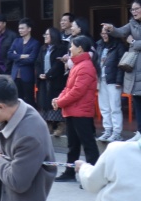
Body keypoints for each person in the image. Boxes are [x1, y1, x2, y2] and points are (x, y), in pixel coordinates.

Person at [53, 36, 100, 182]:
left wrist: (60, 102)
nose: (70, 49)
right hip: (73, 110)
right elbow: (68, 88)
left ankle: (95, 176)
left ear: (80, 48)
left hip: (81, 112)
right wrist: (58, 99)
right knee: (72, 145)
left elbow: (77, 91)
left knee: (88, 144)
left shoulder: (86, 66)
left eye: (72, 46)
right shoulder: (78, 65)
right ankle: (70, 172)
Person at [104, 0, 141, 142]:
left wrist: (132, 42)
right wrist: (111, 28)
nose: (134, 12)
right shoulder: (131, 24)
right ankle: (139, 132)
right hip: (135, 69)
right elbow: (120, 32)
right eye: (132, 10)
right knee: (137, 101)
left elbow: (132, 41)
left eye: (137, 8)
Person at [35, 27, 67, 138]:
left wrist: (48, 74)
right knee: (44, 101)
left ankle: (59, 125)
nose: (45, 37)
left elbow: (58, 65)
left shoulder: (61, 49)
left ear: (53, 36)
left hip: (55, 79)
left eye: (47, 35)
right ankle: (47, 124)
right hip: (43, 80)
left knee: (55, 101)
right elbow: (38, 62)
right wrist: (39, 74)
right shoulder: (43, 48)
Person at [95, 29, 126, 142]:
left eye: (106, 33)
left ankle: (117, 132)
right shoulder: (99, 45)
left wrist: (119, 81)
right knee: (104, 107)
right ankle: (108, 130)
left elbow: (121, 64)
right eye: (102, 33)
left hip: (113, 80)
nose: (104, 35)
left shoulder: (119, 45)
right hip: (101, 80)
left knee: (115, 107)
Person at [8, 17, 40, 106]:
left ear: (29, 29)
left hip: (27, 75)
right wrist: (22, 56)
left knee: (29, 99)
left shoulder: (35, 43)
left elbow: (31, 59)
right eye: (19, 28)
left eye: (22, 28)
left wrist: (16, 57)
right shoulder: (16, 41)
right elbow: (9, 55)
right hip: (15, 75)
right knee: (17, 99)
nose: (20, 30)